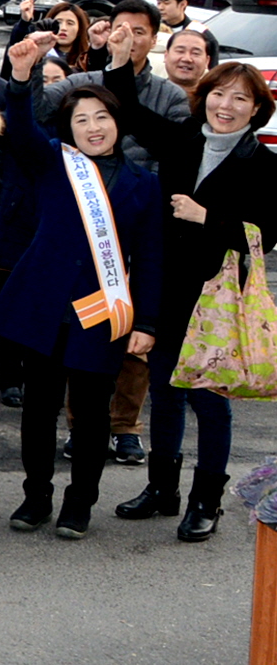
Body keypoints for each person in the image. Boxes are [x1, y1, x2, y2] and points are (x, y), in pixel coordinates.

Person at [0, 30, 163, 539]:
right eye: (81, 119)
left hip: (101, 311)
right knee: (39, 410)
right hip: (44, 306)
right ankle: (36, 496)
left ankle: (79, 503)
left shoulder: (143, 183)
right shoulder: (54, 163)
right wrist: (20, 76)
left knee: (91, 417)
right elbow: (18, 133)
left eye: (102, 118)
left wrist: (148, 321)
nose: (93, 128)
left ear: (117, 123)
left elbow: (151, 258)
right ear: (68, 128)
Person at [110, 58, 274, 541]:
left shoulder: (265, 166)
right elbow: (133, 113)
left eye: (241, 98)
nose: (227, 106)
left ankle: (206, 501)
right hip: (167, 292)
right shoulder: (183, 139)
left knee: (209, 401)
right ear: (204, 97)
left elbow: (267, 235)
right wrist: (119, 60)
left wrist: (210, 218)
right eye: (220, 94)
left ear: (256, 110)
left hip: (218, 302)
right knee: (164, 393)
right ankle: (162, 490)